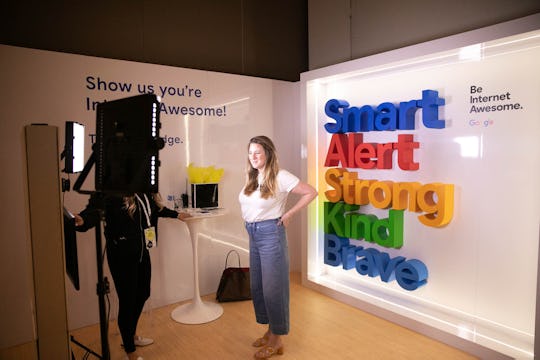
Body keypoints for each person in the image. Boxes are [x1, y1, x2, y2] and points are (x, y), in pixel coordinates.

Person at [74, 192, 190, 360]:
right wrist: (83, 220)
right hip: (122, 254)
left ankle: (129, 334)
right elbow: (95, 210)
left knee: (143, 293)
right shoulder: (113, 191)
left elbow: (155, 210)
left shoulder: (143, 190)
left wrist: (177, 214)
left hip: (142, 251)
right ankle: (130, 349)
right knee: (127, 301)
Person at [238, 135, 318, 359]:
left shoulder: (281, 176)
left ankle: (277, 340)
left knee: (274, 289)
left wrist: (290, 213)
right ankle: (270, 330)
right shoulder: (253, 177)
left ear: (268, 154)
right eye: (251, 152)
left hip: (270, 234)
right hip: (253, 234)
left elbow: (311, 191)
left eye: (258, 153)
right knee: (258, 287)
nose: (253, 157)